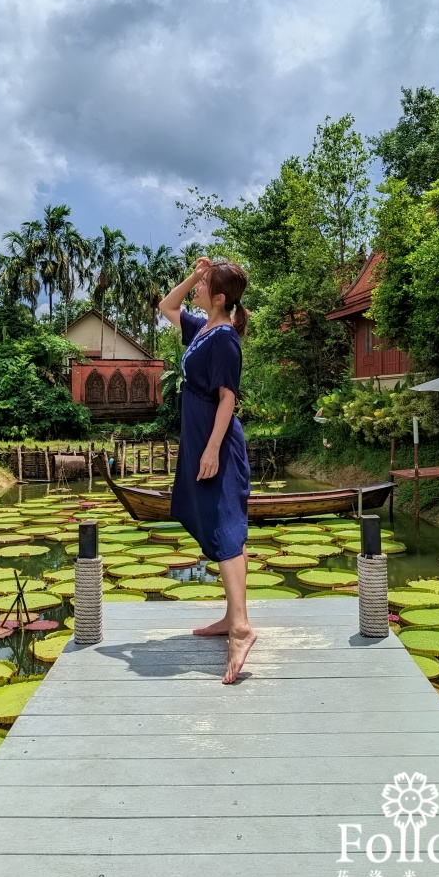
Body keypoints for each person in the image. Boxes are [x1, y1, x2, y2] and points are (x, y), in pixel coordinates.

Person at [158, 256, 256, 684]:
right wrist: (196, 274)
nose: (196, 289)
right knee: (217, 522)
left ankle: (241, 628)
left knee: (227, 524)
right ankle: (232, 616)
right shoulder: (202, 329)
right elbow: (167, 305)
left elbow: (228, 398)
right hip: (200, 437)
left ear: (219, 299)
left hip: (216, 441)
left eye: (204, 285)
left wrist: (213, 449)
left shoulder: (225, 341)